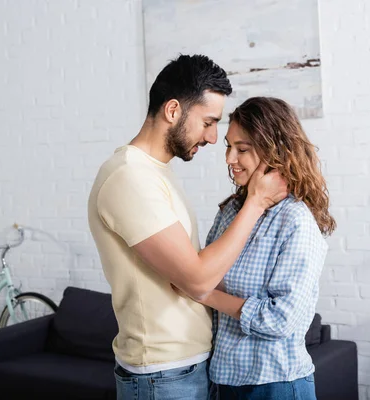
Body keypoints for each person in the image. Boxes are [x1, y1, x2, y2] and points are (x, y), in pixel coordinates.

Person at [87, 55, 288, 399]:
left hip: (184, 370)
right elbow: (196, 280)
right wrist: (255, 203)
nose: (213, 138)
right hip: (163, 377)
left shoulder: (154, 173)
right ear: (173, 110)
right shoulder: (129, 177)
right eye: (208, 122)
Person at [190, 97, 336, 399]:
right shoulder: (231, 212)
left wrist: (205, 294)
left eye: (242, 149)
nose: (230, 158)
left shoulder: (296, 220)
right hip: (224, 380)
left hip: (277, 384)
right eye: (228, 147)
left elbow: (279, 319)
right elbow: (203, 272)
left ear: (276, 151)